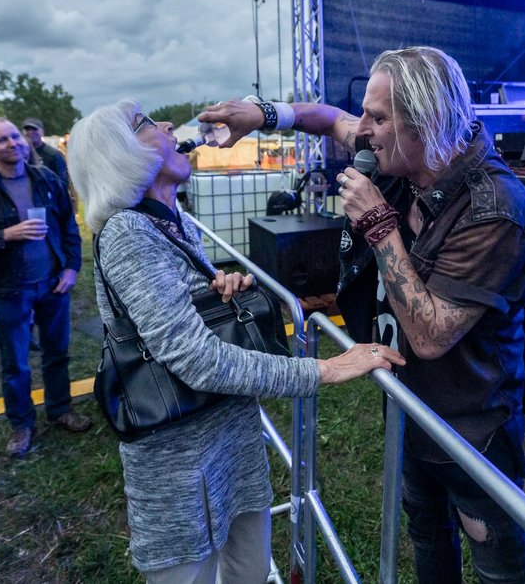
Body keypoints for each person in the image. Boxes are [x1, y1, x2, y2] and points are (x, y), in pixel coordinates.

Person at [200, 46, 525, 584]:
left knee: (498, 562)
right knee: (428, 535)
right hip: (410, 405)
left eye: (379, 118)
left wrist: (380, 226)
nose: (362, 130)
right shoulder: (400, 154)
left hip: (469, 428)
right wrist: (262, 114)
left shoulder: (495, 209)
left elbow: (431, 335)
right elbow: (327, 119)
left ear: (427, 124)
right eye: (367, 112)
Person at [69, 99, 403, 582]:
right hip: (182, 469)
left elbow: (175, 316)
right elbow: (195, 360)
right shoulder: (127, 232)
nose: (167, 125)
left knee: (246, 569)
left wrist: (212, 292)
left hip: (226, 442)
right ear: (119, 156)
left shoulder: (171, 219)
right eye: (146, 124)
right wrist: (326, 369)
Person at [0, 117, 89, 458]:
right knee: (16, 362)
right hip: (9, 288)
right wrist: (5, 236)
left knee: (57, 353)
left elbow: (68, 227)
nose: (12, 143)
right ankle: (22, 424)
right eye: (1, 140)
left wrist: (71, 267)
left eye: (15, 137)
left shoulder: (46, 180)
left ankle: (59, 409)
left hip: (53, 284)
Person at [21, 118, 69, 187]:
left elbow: (63, 182)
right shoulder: (19, 154)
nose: (30, 132)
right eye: (27, 129)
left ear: (42, 132)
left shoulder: (53, 154)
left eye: (34, 129)